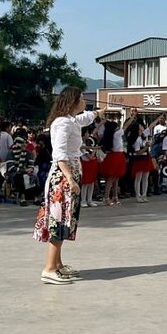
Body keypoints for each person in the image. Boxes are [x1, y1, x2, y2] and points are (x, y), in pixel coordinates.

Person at [33, 86, 106, 284]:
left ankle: (57, 264)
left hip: (70, 174)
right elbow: (59, 155)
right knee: (60, 220)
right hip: (63, 177)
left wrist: (99, 113)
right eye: (81, 99)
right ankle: (48, 268)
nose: (84, 102)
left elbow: (86, 118)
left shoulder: (72, 120)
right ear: (73, 102)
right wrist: (70, 179)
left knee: (66, 220)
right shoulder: (63, 123)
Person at [98, 120, 125, 206]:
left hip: (115, 156)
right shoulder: (117, 134)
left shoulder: (110, 135)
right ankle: (106, 198)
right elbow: (125, 126)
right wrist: (132, 117)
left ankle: (115, 196)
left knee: (116, 178)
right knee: (111, 178)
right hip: (116, 156)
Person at [9, 128, 38, 207]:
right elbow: (11, 167)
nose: (25, 145)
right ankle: (22, 198)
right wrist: (24, 170)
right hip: (15, 172)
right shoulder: (11, 153)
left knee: (34, 176)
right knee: (19, 176)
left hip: (27, 170)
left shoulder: (28, 153)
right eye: (22, 143)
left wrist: (30, 169)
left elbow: (31, 163)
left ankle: (35, 198)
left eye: (25, 143)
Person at [125, 122, 152, 203]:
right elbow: (137, 152)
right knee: (138, 178)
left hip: (146, 158)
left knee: (145, 177)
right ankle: (138, 195)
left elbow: (150, 126)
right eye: (140, 128)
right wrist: (146, 147)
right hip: (139, 159)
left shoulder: (143, 137)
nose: (142, 129)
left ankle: (144, 194)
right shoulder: (136, 139)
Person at [78, 127, 100, 208]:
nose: (88, 134)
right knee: (85, 183)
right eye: (86, 132)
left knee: (91, 182)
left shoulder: (89, 142)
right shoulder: (81, 144)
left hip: (92, 163)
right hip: (85, 164)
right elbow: (89, 156)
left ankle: (89, 200)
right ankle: (83, 200)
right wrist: (95, 149)